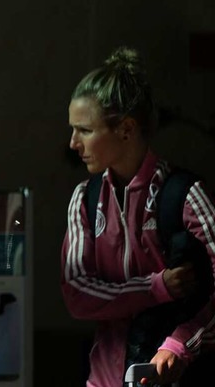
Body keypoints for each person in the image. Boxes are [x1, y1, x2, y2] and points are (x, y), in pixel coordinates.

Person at [61, 46, 215, 386]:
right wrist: (155, 287)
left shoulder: (186, 195)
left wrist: (180, 343)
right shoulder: (83, 200)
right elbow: (77, 294)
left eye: (84, 130)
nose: (73, 143)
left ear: (126, 130)